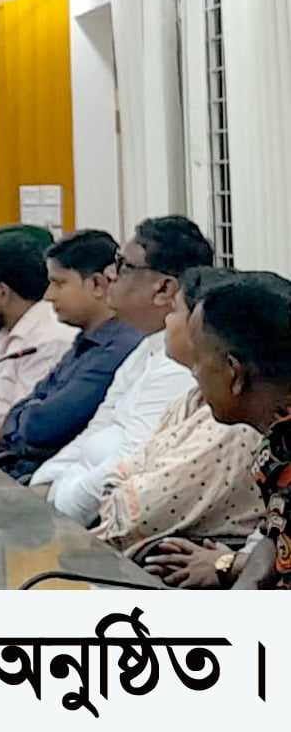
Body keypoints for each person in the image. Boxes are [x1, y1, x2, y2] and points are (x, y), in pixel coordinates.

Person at [31, 216, 213, 523]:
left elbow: (131, 463)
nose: (110, 275)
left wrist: (57, 505)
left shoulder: (179, 365)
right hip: (75, 502)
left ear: (164, 289)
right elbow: (95, 431)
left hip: (102, 519)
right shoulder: (147, 346)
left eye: (123, 265)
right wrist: (43, 483)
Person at [94, 267, 262, 558]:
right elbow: (125, 473)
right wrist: (125, 488)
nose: (166, 322)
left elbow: (137, 515)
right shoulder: (193, 397)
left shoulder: (235, 420)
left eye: (174, 311)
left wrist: (126, 489)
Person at [164, 272, 291, 589]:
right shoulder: (278, 441)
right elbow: (275, 536)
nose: (194, 374)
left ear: (235, 373)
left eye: (198, 359)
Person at [0, 230, 141, 481]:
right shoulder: (84, 340)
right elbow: (26, 406)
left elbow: (44, 427)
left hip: (50, 477)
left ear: (97, 284)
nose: (48, 295)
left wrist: (21, 419)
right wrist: (23, 418)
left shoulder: (117, 348)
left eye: (59, 283)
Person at [0, 231, 78, 444]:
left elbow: (20, 425)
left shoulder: (48, 339)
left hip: (0, 453)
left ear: (2, 292)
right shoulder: (7, 330)